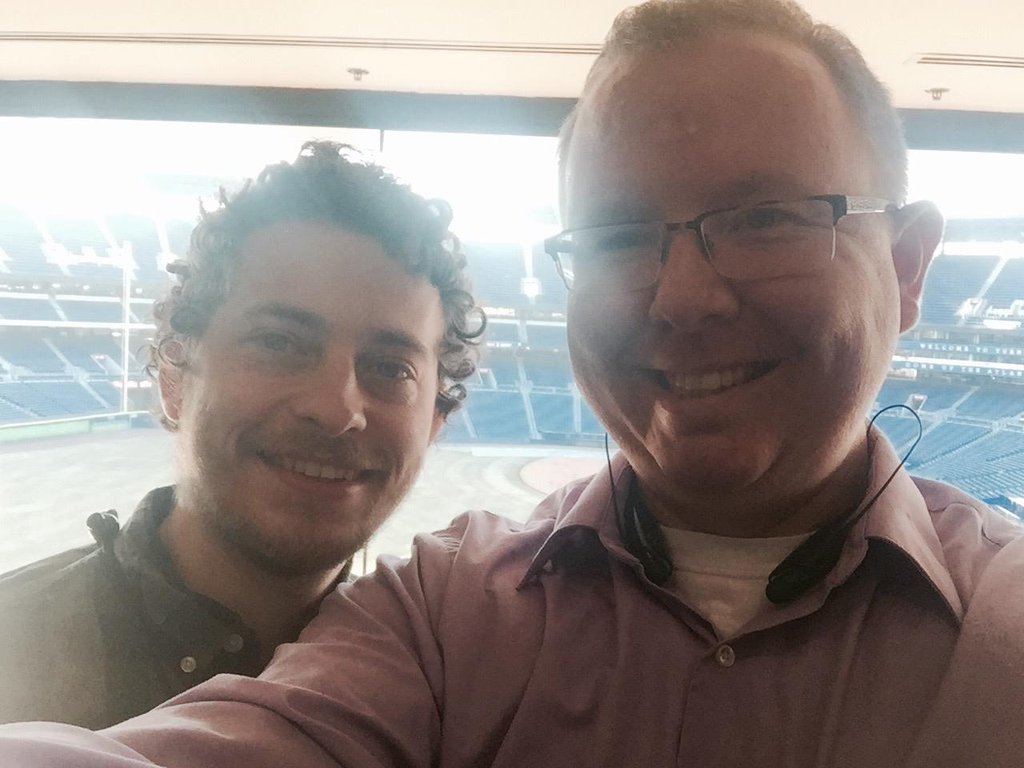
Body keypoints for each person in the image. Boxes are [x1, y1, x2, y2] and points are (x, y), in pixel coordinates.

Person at [2, 1, 1024, 766]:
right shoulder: (439, 616)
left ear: (905, 267)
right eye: (620, 235)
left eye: (763, 218)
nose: (681, 296)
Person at [0, 141, 484, 729]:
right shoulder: (15, 653)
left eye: (389, 368)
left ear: (433, 423)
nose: (336, 410)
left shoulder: (448, 691)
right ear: (175, 380)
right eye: (278, 343)